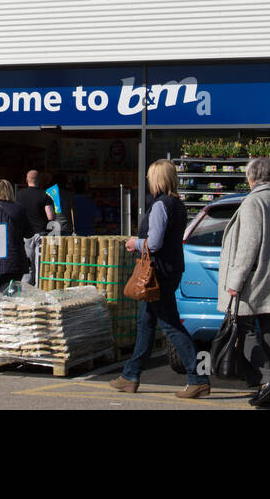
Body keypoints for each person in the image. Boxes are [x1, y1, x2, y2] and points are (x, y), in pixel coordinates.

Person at [109, 160, 208, 399]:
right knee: (145, 323)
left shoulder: (160, 206)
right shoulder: (178, 204)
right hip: (169, 270)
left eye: (150, 177)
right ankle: (130, 376)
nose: (147, 181)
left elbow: (154, 243)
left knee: (171, 326)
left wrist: (135, 243)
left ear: (158, 179)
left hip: (157, 274)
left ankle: (198, 379)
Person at [218, 156, 270, 408]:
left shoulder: (253, 203)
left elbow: (247, 247)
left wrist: (235, 282)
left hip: (254, 283)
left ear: (251, 178)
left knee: (244, 331)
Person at [15, 169, 56, 234]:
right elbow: (50, 217)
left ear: (26, 180)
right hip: (41, 232)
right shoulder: (45, 195)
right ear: (39, 180)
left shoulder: (18, 195)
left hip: (24, 233)